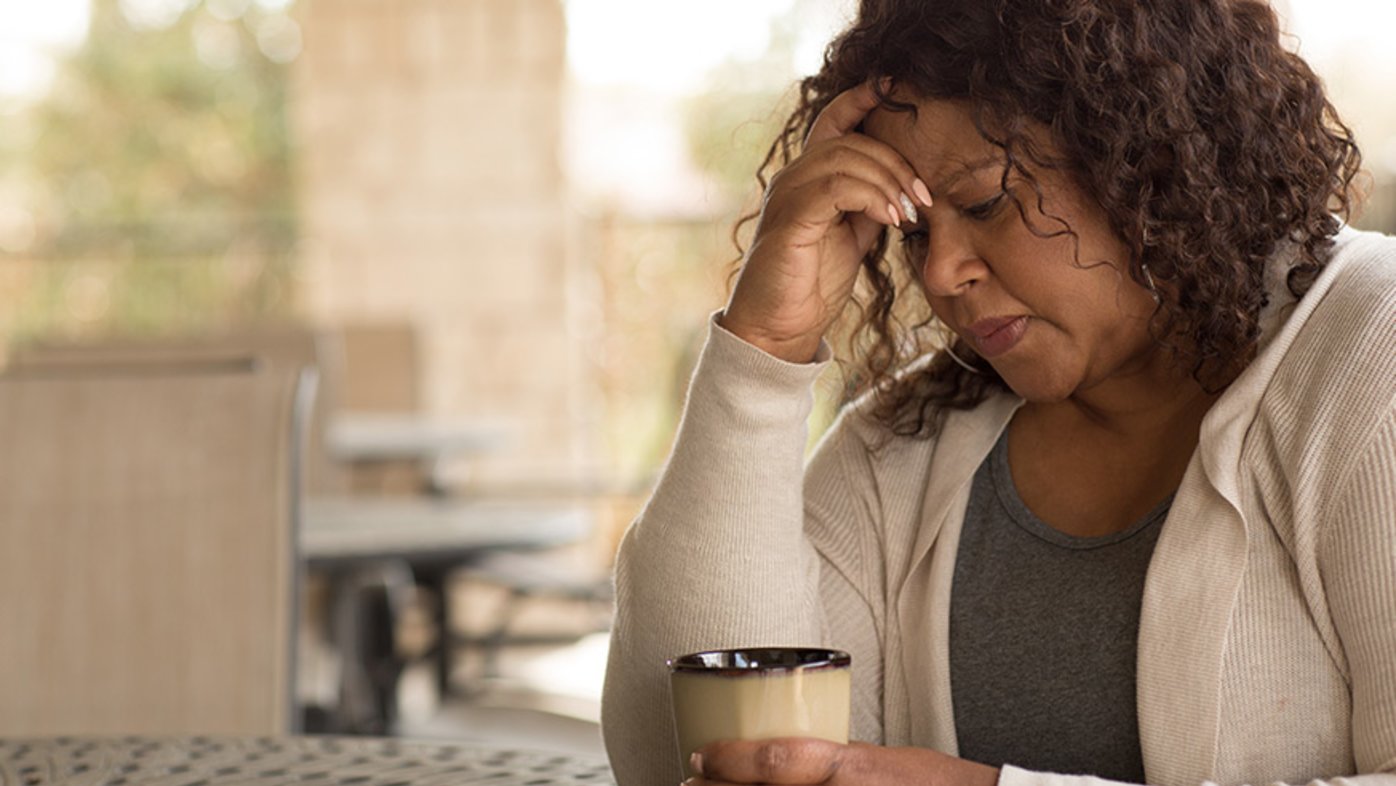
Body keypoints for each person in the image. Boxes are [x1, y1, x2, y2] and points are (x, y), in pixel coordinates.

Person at [601, 1, 1396, 785]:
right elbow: (673, 758)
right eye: (912, 229)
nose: (942, 273)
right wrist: (763, 354)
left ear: (1142, 159)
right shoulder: (900, 452)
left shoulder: (1370, 354)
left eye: (985, 202)